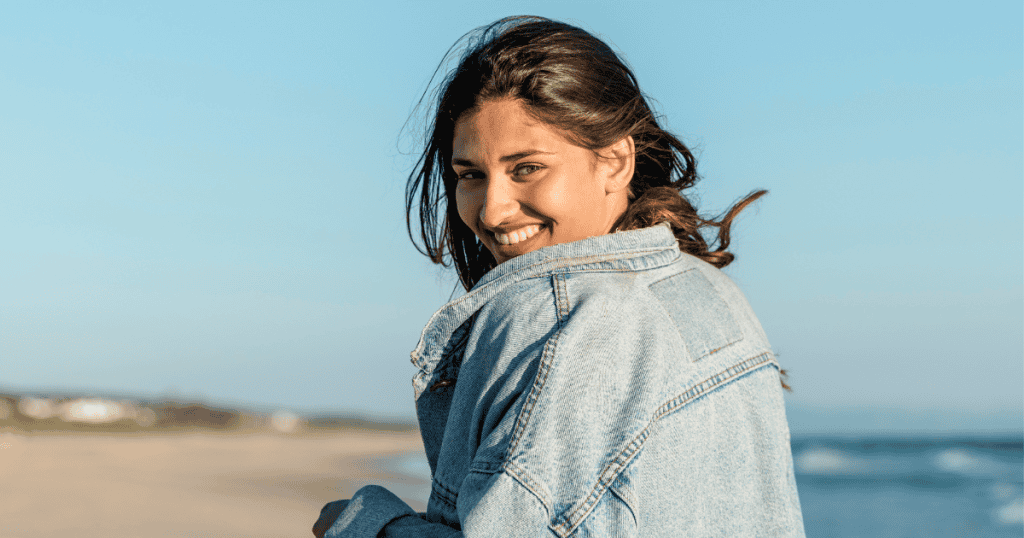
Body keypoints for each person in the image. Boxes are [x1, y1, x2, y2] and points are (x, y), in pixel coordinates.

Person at [314, 15, 805, 537]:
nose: (493, 211)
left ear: (615, 161)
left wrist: (366, 527)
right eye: (471, 176)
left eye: (526, 168)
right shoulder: (709, 290)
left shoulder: (555, 322)